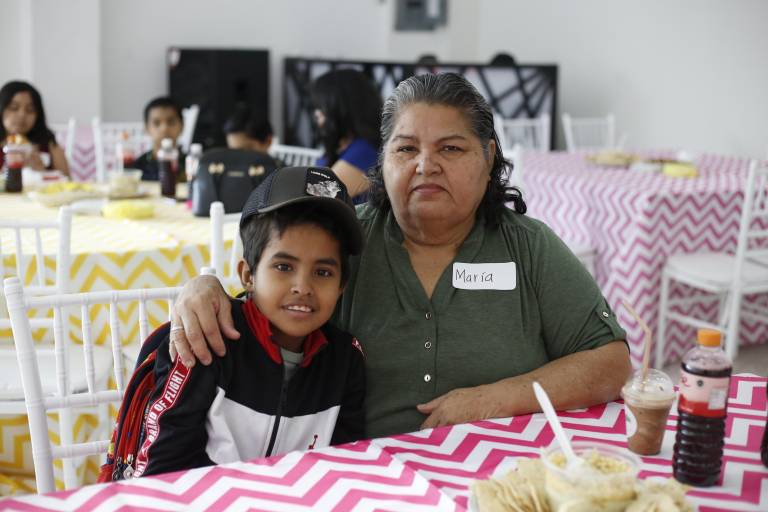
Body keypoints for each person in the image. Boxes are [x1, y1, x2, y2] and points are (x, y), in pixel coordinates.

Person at [169, 73, 632, 440]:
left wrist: (498, 398)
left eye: (451, 148)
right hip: (362, 476)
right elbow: (269, 304)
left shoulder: (527, 247)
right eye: (406, 149)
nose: (425, 165)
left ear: (489, 157)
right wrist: (205, 288)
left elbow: (611, 362)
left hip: (503, 475)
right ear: (383, 161)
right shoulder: (344, 242)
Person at [133, 166, 366, 477]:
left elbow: (343, 466)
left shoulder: (345, 361)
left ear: (341, 287)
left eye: (323, 272)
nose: (303, 286)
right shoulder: (208, 343)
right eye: (283, 266)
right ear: (248, 275)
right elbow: (162, 471)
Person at [311, 69, 381, 203]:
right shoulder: (345, 145)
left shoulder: (364, 151)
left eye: (321, 108)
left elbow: (317, 196)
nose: (317, 114)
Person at [0, 81, 69, 175]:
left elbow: (68, 182)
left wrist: (41, 172)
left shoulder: (48, 143)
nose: (22, 115)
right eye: (14, 108)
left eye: (30, 110)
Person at [133, 96, 186, 182]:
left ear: (182, 126)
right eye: (156, 123)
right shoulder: (137, 167)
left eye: (171, 122)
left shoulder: (191, 165)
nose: (164, 128)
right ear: (146, 128)